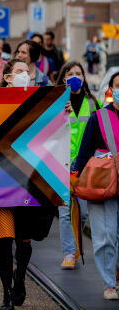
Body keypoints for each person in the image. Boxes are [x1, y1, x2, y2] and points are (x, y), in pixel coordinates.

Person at [0, 58, 39, 310]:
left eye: (27, 72)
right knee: (5, 241)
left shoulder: (42, 101)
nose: (24, 75)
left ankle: (20, 277)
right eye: (18, 71)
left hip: (29, 182)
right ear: (7, 77)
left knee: (24, 242)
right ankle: (7, 295)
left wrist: (64, 110)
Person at [71, 70, 119, 300]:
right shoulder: (98, 118)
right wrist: (75, 176)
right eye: (118, 86)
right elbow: (84, 151)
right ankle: (109, 282)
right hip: (102, 182)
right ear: (111, 90)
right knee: (104, 236)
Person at [56, 61, 98, 270]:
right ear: (63, 78)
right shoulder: (56, 102)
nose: (75, 77)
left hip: (85, 164)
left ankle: (76, 244)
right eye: (70, 73)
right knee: (65, 210)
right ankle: (69, 253)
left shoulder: (92, 102)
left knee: (83, 213)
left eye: (78, 73)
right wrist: (58, 111)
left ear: (84, 77)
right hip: (61, 162)